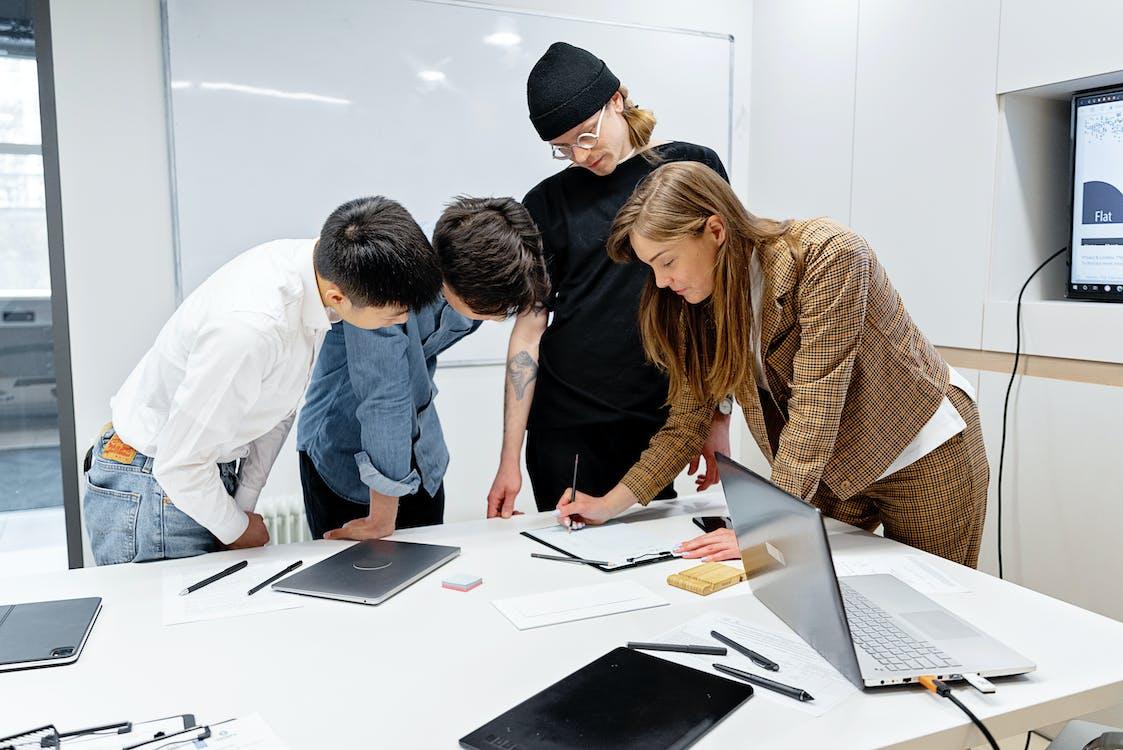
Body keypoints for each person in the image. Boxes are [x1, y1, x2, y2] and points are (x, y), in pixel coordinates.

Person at [557, 161, 989, 568]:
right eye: (651, 268)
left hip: (921, 452)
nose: (662, 282)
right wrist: (607, 505)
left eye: (667, 261)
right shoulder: (695, 301)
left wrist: (764, 529)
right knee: (815, 596)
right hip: (832, 473)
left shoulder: (826, 256)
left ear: (715, 230)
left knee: (933, 607)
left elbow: (814, 409)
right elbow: (687, 423)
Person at [82, 196, 442, 565]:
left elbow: (278, 407)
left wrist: (244, 503)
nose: (400, 324)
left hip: (197, 476)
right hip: (156, 484)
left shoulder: (315, 280)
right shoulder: (250, 327)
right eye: (393, 316)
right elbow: (179, 464)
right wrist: (237, 528)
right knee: (175, 622)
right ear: (340, 296)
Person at [487, 41, 731, 519]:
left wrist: (716, 416)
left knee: (655, 564)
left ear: (617, 99)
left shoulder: (689, 169)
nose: (579, 155)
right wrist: (507, 458)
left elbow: (718, 301)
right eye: (561, 148)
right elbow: (529, 330)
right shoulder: (545, 202)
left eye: (586, 135)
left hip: (662, 418)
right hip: (566, 425)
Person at [297, 197, 549, 540]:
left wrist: (509, 463)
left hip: (422, 455)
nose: (496, 319)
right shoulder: (384, 278)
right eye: (493, 311)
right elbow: (384, 399)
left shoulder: (476, 253)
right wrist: (381, 519)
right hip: (344, 454)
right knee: (361, 584)